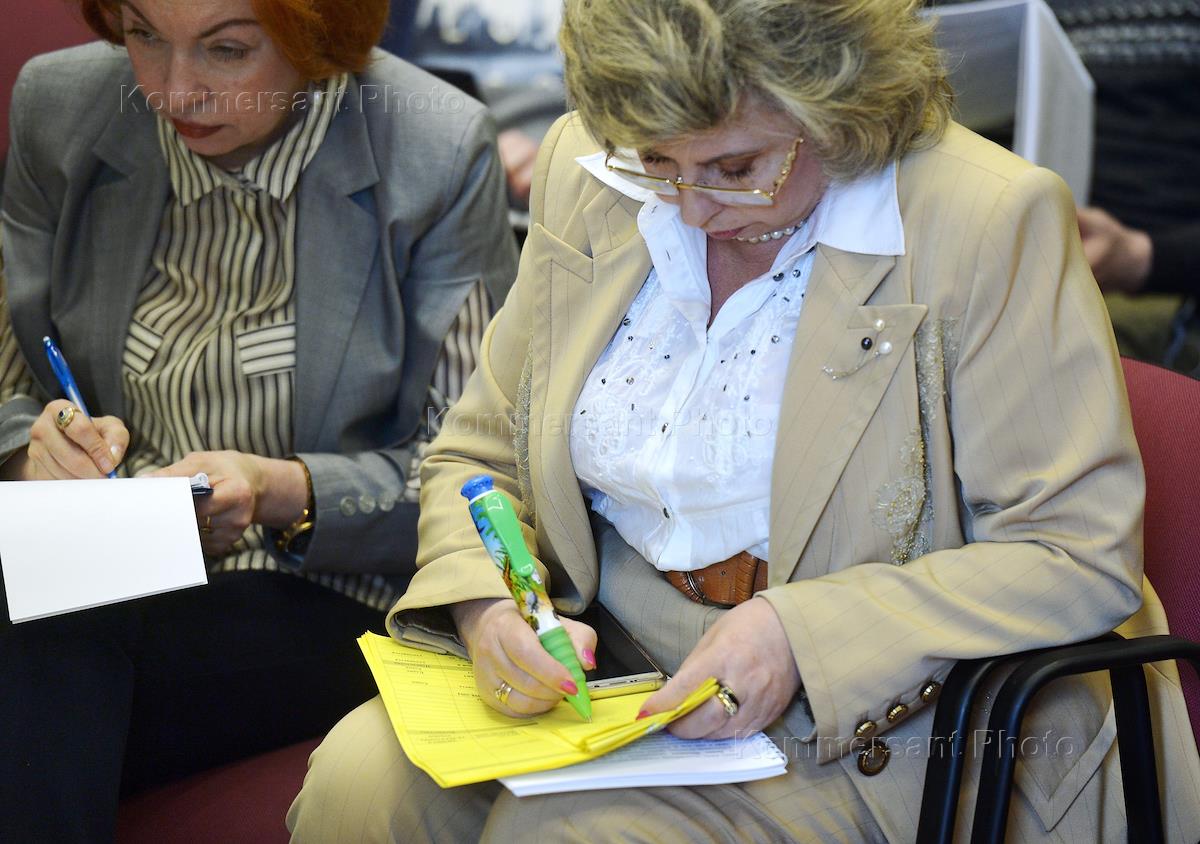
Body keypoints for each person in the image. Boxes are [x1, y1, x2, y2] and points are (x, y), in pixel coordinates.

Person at [287, 0, 1200, 840]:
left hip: (898, 713)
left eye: (737, 169)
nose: (692, 209)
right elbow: (479, 453)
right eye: (657, 163)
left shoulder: (983, 218)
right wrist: (489, 605)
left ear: (839, 106)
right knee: (358, 786)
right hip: (617, 663)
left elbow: (1072, 553)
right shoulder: (590, 164)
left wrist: (796, 634)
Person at [0, 0, 516, 839]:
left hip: (323, 587)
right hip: (95, 558)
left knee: (49, 628)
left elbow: (475, 473)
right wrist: (32, 454)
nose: (174, 90)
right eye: (143, 36)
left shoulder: (434, 147)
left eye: (227, 50)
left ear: (318, 35)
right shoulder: (61, 107)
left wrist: (279, 490)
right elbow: (16, 382)